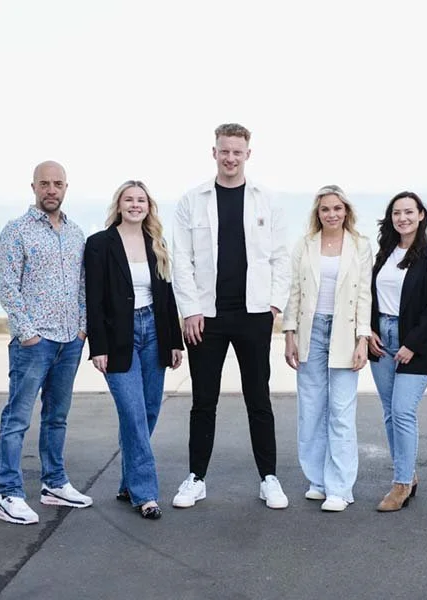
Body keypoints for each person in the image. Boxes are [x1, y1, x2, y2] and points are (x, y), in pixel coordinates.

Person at [171, 123, 291, 509]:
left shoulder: (266, 200)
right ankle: (196, 478)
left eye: (237, 152)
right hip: (207, 317)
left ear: (248, 154)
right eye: (224, 151)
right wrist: (190, 310)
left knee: (259, 397)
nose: (230, 158)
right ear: (214, 152)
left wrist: (274, 305)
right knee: (203, 399)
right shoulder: (192, 200)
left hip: (254, 315)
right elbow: (181, 261)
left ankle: (269, 478)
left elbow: (279, 258)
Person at [0, 160, 92, 525]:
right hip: (34, 343)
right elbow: (8, 288)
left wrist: (82, 329)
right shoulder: (16, 231)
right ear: (33, 187)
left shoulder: (76, 233)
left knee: (57, 418)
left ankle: (54, 484)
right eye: (44, 184)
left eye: (57, 183)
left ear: (66, 187)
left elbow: (83, 286)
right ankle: (8, 493)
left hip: (70, 341)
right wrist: (27, 333)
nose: (51, 190)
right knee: (17, 418)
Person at [84, 180, 184, 520]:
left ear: (148, 206)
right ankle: (146, 494)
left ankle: (128, 482)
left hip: (154, 332)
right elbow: (93, 300)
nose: (135, 205)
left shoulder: (156, 242)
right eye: (129, 199)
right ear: (119, 204)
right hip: (119, 338)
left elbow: (167, 296)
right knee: (133, 414)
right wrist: (98, 347)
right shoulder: (99, 244)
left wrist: (174, 341)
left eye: (141, 200)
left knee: (149, 411)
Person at [282, 185, 373, 512]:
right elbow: (294, 290)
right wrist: (289, 332)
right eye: (325, 209)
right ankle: (318, 480)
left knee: (341, 411)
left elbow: (364, 294)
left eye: (337, 208)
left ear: (346, 210)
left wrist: (363, 338)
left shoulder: (360, 246)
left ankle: (340, 487)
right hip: (311, 330)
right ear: (317, 213)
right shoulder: (305, 245)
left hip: (345, 332)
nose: (331, 214)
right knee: (311, 409)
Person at [368, 191, 427, 512]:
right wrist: (369, 330)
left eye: (408, 212)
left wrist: (412, 344)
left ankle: (401, 484)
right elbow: (370, 296)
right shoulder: (383, 254)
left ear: (421, 216)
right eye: (397, 213)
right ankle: (408, 474)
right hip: (381, 338)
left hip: (415, 343)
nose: (402, 218)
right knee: (390, 413)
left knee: (403, 411)